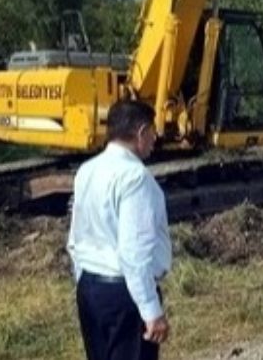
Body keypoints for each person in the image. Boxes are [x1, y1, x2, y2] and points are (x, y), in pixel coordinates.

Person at [67, 100, 172, 360]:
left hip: (90, 288)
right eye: (153, 132)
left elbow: (75, 238)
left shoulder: (86, 171)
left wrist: (83, 279)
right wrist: (150, 310)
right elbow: (134, 252)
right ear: (141, 132)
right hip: (124, 296)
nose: (155, 139)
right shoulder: (135, 178)